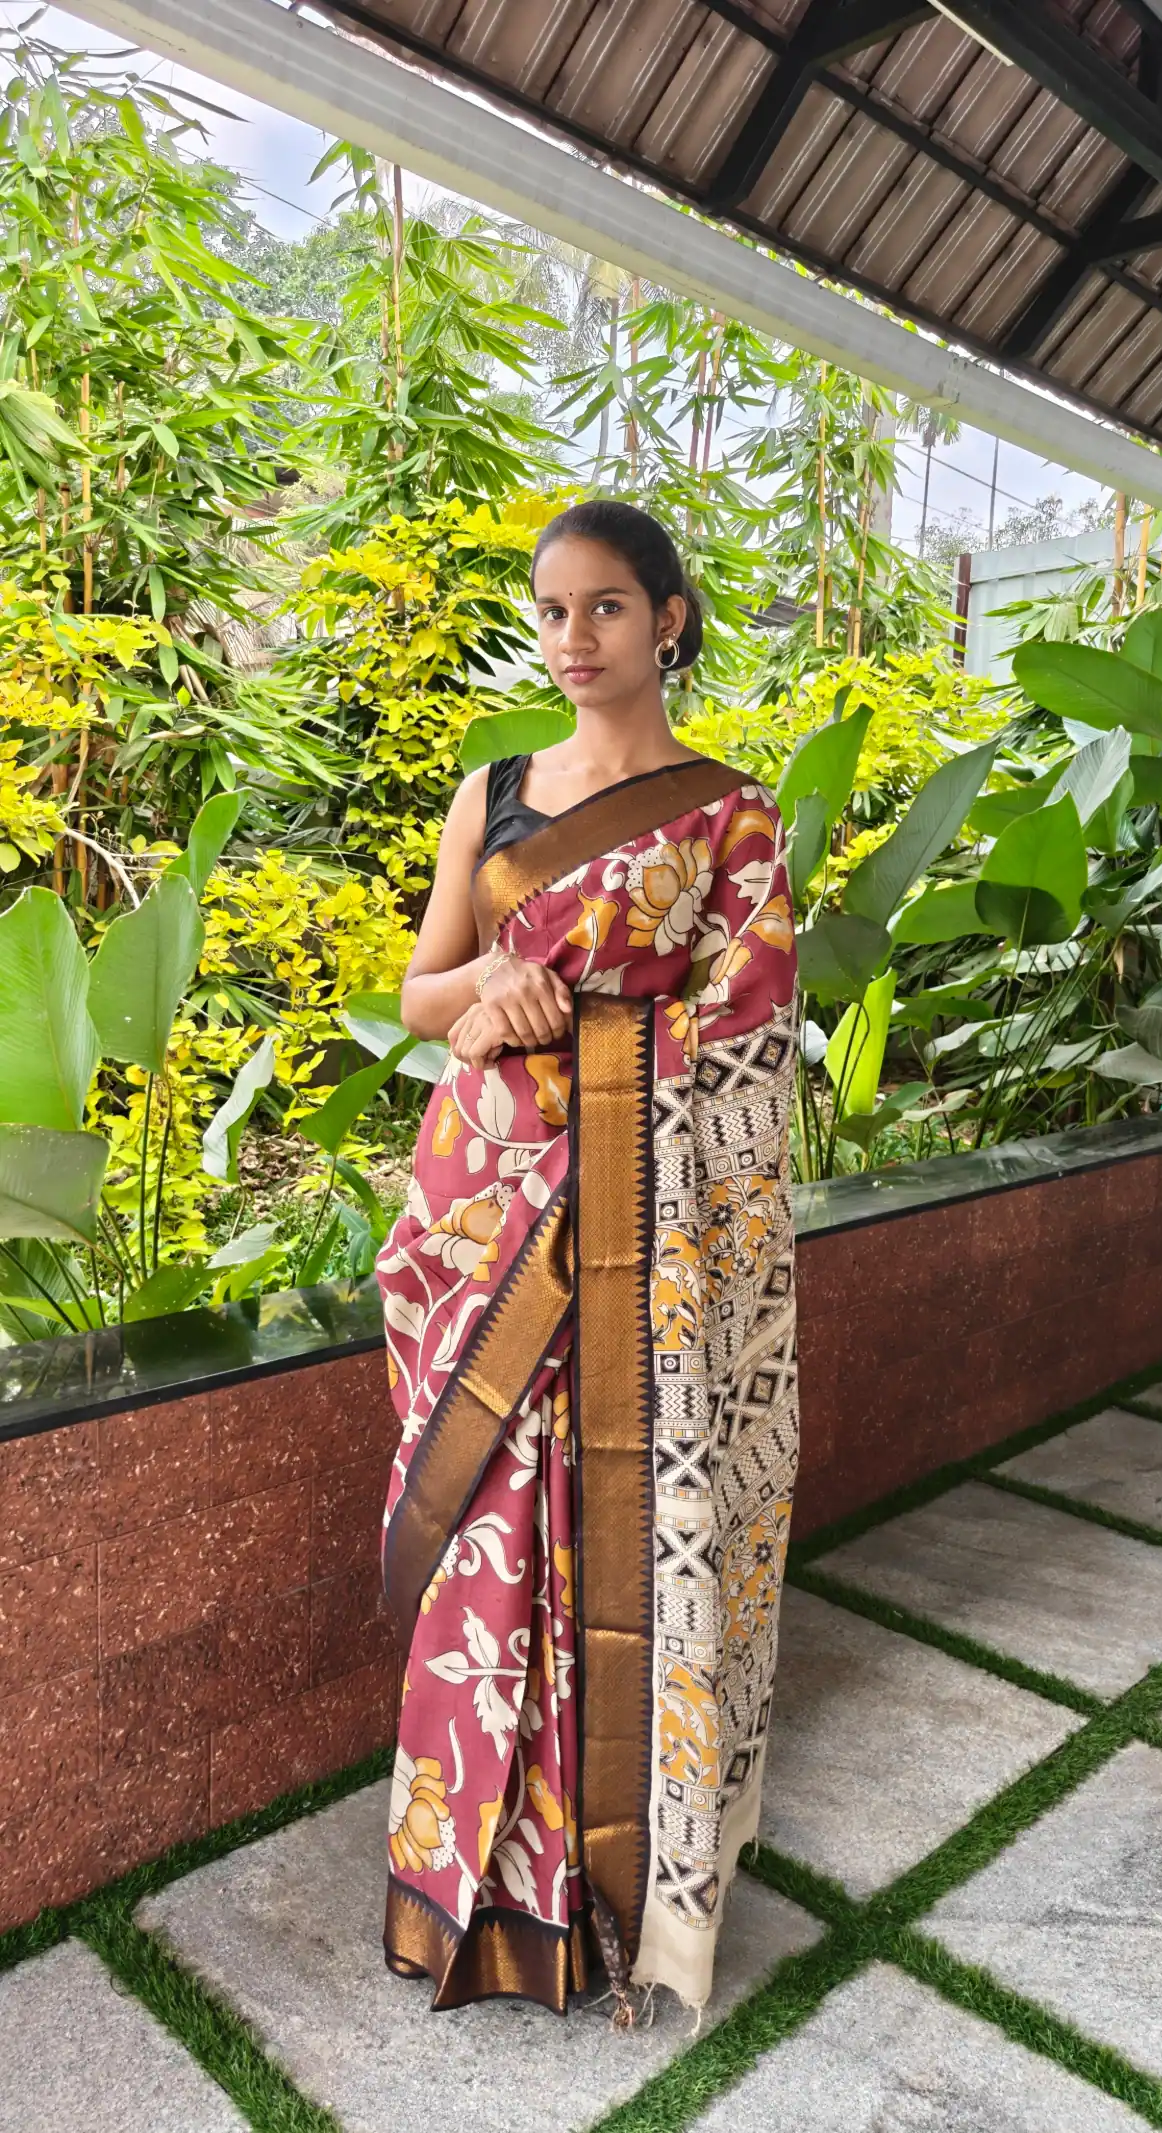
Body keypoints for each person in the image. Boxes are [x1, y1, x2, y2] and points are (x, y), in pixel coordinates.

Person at [376, 498, 799, 2022]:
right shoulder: (491, 794)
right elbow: (420, 992)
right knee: (489, 1533)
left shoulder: (729, 817)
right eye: (551, 610)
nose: (571, 638)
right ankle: (471, 1888)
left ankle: (616, 1893)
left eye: (605, 607)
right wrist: (489, 986)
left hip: (636, 1235)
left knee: (620, 1527)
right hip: (481, 1219)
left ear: (666, 619)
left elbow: (746, 1040)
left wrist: (579, 1024)